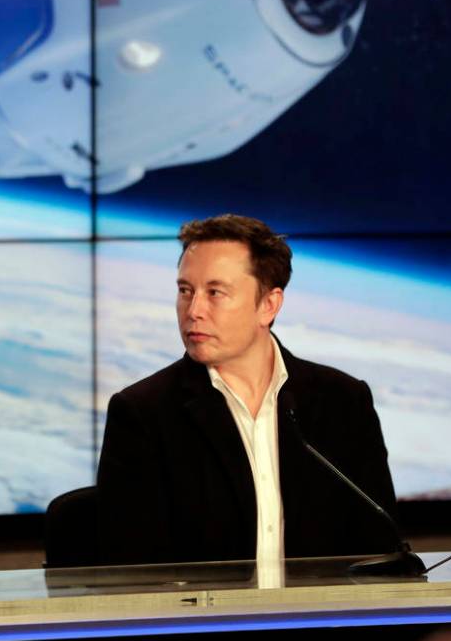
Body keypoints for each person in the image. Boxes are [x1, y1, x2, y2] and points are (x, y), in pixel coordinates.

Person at [97, 214, 399, 570]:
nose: (193, 311)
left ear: (268, 305)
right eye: (185, 291)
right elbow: (129, 570)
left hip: (323, 623)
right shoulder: (142, 413)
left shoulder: (343, 402)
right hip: (203, 624)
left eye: (215, 293)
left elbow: (380, 548)